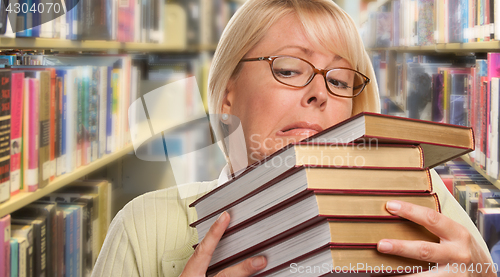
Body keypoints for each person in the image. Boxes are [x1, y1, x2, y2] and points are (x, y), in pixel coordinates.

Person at [92, 0, 496, 276]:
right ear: (228, 92)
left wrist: (484, 271)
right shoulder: (143, 226)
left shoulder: (422, 202)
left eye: (339, 80)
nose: (320, 93)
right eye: (288, 70)